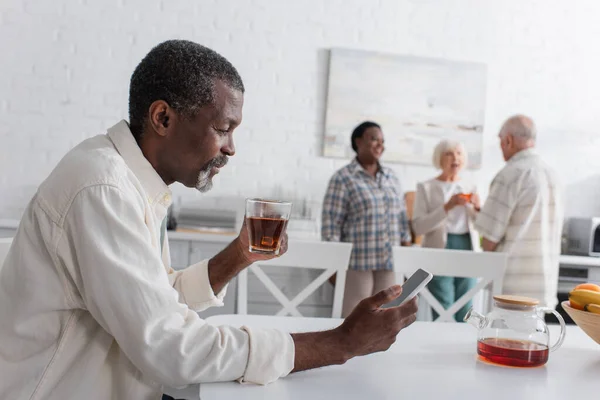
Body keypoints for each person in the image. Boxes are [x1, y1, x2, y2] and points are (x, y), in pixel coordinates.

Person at [0, 40, 418, 399]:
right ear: (163, 118)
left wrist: (238, 256)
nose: (231, 148)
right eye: (224, 128)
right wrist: (341, 342)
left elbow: (156, 300)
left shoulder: (131, 183)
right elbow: (171, 348)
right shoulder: (103, 189)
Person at [322, 121, 412, 318]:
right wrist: (333, 266)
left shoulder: (392, 177)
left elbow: (402, 220)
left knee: (388, 320)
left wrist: (407, 258)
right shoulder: (343, 178)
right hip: (357, 264)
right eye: (373, 139)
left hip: (390, 263)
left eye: (382, 141)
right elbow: (331, 226)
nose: (380, 144)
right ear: (358, 141)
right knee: (354, 321)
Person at [475, 115, 563, 308]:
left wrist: (476, 215)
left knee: (501, 339)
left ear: (508, 140)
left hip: (509, 290)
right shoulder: (552, 175)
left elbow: (489, 239)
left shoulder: (510, 174)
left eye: (500, 141)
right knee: (532, 338)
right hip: (542, 288)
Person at [411, 140, 481, 322]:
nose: (455, 158)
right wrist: (447, 207)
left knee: (466, 307)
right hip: (439, 247)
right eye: (449, 154)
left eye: (458, 153)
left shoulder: (471, 188)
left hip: (467, 247)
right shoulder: (426, 187)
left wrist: (478, 208)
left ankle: (457, 346)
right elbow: (418, 227)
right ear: (439, 159)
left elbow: (482, 225)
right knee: (443, 305)